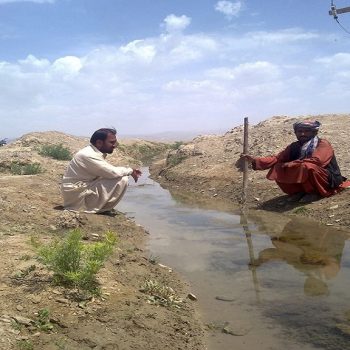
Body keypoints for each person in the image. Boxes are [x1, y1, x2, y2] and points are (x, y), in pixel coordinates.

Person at [240, 120, 346, 202]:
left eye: (307, 131)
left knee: (306, 166)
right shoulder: (294, 146)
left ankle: (315, 192)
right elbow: (277, 158)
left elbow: (317, 161)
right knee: (278, 168)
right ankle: (298, 192)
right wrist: (254, 159)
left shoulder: (323, 143)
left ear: (314, 132)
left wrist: (293, 163)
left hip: (327, 178)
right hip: (305, 170)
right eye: (300, 131)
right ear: (296, 133)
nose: (303, 134)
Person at [61, 128, 141, 214]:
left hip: (78, 192)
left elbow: (107, 171)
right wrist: (130, 171)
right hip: (77, 199)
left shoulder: (91, 152)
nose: (114, 145)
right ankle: (99, 209)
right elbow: (112, 173)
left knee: (115, 176)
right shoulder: (88, 155)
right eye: (111, 142)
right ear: (99, 143)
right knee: (122, 179)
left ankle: (99, 207)